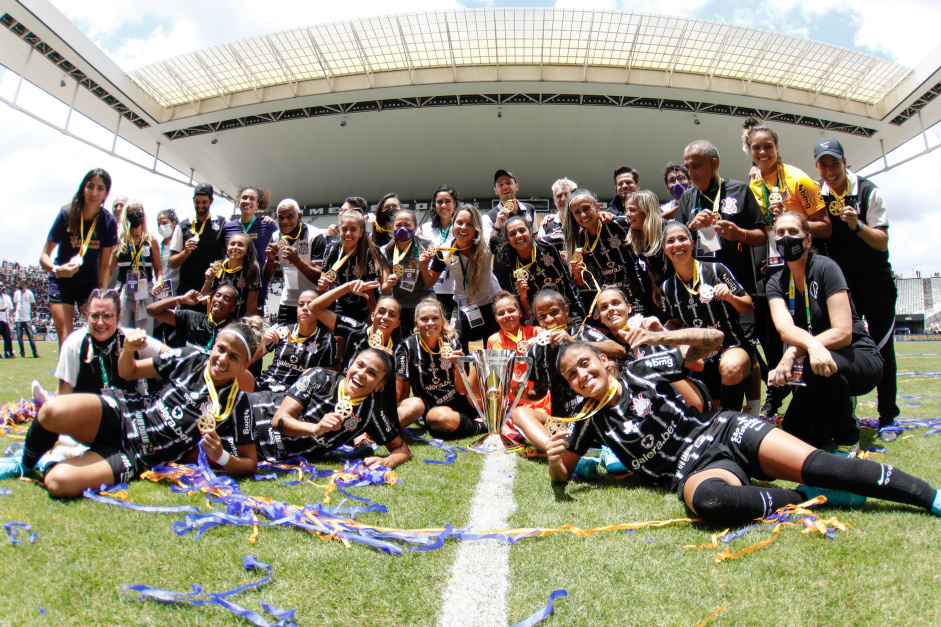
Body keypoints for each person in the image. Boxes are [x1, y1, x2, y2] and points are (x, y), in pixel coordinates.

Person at [545, 339, 941, 525]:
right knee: (711, 502)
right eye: (571, 375)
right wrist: (552, 462)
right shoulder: (588, 418)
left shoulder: (641, 369)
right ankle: (808, 497)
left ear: (602, 359)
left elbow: (711, 343)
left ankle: (930, 495)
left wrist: (663, 337)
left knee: (820, 464)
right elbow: (564, 473)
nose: (582, 376)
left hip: (725, 429)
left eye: (585, 363)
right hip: (695, 470)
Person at [0, 322, 261, 497]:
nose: (222, 359)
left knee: (58, 483)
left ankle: (56, 460)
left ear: (245, 364)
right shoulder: (189, 358)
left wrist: (223, 457)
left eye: (234, 357)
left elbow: (250, 463)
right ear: (214, 345)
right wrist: (128, 349)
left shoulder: (239, 403)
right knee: (50, 411)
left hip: (138, 455)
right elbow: (129, 372)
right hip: (123, 414)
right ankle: (24, 464)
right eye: (221, 349)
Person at [766, 211, 883, 455]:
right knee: (794, 435)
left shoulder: (826, 267)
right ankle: (837, 403)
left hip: (856, 357)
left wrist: (795, 353)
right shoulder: (775, 282)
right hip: (816, 363)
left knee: (813, 363)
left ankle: (849, 438)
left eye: (793, 232)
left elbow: (843, 333)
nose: (786, 238)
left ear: (808, 240)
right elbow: (784, 328)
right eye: (780, 233)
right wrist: (805, 349)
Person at [813, 137, 900, 442]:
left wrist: (857, 225)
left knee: (882, 350)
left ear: (845, 162)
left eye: (834, 163)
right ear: (817, 167)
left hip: (876, 285)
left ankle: (888, 417)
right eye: (823, 164)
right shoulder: (817, 194)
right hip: (842, 290)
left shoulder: (867, 190)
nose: (829, 170)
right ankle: (843, 409)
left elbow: (883, 241)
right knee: (842, 348)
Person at [679, 140, 769, 416]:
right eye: (687, 166)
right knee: (716, 350)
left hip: (737, 287)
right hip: (705, 293)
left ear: (714, 164)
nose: (690, 172)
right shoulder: (687, 199)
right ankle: (720, 411)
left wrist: (739, 234)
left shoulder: (740, 191)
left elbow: (762, 234)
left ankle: (752, 411)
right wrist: (691, 228)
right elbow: (678, 239)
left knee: (745, 345)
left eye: (696, 166)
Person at [251, 348, 410, 467]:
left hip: (261, 452)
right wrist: (317, 428)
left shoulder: (370, 412)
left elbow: (401, 449)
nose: (361, 373)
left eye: (372, 373)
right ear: (350, 364)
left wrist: (386, 461)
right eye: (359, 365)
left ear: (379, 386)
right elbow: (278, 420)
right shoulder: (319, 377)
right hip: (253, 413)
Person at [509, 289, 622, 452]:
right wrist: (526, 394)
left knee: (609, 363)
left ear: (566, 310)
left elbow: (618, 350)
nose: (549, 319)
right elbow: (541, 390)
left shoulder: (582, 332)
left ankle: (612, 430)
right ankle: (557, 452)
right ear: (538, 320)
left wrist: (573, 341)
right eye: (542, 316)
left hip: (595, 412)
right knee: (519, 413)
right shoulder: (536, 350)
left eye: (554, 312)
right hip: (562, 422)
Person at [661, 222, 755, 411]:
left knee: (729, 368)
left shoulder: (716, 269)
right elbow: (675, 321)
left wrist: (730, 297)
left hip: (731, 345)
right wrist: (658, 332)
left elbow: (749, 306)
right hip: (701, 355)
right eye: (670, 241)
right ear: (664, 249)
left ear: (692, 243)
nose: (677, 245)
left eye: (682, 239)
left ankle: (733, 422)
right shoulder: (667, 288)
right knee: (707, 409)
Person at [40, 168, 119, 349]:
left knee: (99, 335)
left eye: (100, 188)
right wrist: (57, 270)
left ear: (106, 193)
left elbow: (105, 266)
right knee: (66, 339)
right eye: (90, 186)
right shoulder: (66, 214)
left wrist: (102, 296)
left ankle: (94, 377)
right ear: (83, 188)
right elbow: (44, 256)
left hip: (89, 287)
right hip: (61, 283)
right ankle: (65, 378)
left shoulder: (108, 222)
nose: (94, 193)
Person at [394, 298, 482, 440]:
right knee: (440, 418)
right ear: (416, 323)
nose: (430, 323)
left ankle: (483, 416)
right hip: (434, 410)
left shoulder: (453, 343)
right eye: (424, 319)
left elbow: (461, 390)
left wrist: (457, 365)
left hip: (461, 403)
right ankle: (480, 426)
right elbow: (401, 391)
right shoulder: (406, 348)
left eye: (435, 318)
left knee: (481, 363)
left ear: (442, 321)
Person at [564, 188, 657, 320]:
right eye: (577, 212)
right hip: (609, 296)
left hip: (637, 289)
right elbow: (583, 283)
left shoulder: (618, 224)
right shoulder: (580, 240)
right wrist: (577, 274)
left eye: (586, 208)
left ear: (597, 207)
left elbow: (648, 252)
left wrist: (655, 283)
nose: (583, 215)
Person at [52, 289, 166, 396]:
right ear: (87, 316)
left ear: (119, 318)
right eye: (94, 316)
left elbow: (176, 357)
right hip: (89, 414)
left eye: (107, 316)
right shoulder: (74, 343)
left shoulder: (131, 338)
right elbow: (64, 391)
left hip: (127, 413)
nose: (100, 323)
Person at [423, 204, 501, 348]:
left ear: (476, 228)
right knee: (455, 345)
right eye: (459, 223)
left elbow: (511, 254)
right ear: (453, 224)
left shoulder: (488, 242)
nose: (463, 228)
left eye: (469, 224)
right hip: (463, 305)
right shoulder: (445, 251)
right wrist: (423, 265)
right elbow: (429, 282)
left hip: (491, 303)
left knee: (492, 350)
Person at [743, 117, 830, 238]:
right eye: (756, 148)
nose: (762, 152)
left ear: (776, 148)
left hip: (803, 252)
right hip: (772, 252)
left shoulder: (799, 179)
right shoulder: (755, 183)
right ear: (750, 151)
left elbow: (826, 228)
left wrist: (790, 219)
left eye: (768, 146)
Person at [493, 215, 584, 326]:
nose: (518, 236)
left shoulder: (551, 245)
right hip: (540, 320)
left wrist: (602, 214)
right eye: (512, 234)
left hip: (569, 310)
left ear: (531, 231)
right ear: (507, 239)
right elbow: (525, 311)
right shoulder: (508, 265)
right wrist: (522, 296)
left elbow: (580, 232)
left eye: (522, 230)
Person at [306, 281, 398, 375]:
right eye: (381, 312)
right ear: (372, 316)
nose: (386, 317)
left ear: (397, 323)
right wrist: (347, 287)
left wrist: (391, 360)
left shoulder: (399, 348)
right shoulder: (355, 330)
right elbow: (314, 307)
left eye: (392, 314)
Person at [486, 290, 551, 417]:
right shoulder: (493, 340)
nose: (506, 316)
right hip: (513, 403)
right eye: (501, 313)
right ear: (496, 318)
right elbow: (494, 378)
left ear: (520, 312)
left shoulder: (536, 332)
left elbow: (555, 334)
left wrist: (539, 339)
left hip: (540, 399)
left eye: (511, 311)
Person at [317, 208, 388, 324]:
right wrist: (322, 287)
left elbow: (370, 291)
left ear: (361, 232)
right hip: (339, 305)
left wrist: (372, 318)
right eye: (344, 229)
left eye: (353, 229)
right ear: (339, 231)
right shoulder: (331, 249)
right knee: (338, 339)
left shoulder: (368, 252)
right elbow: (322, 284)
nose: (348, 233)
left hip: (362, 305)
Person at [263, 199, 325, 325]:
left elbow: (319, 277)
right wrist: (270, 261)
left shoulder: (315, 236)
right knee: (283, 341)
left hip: (312, 301)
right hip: (288, 300)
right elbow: (267, 278)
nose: (285, 221)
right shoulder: (275, 237)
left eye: (290, 216)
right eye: (281, 218)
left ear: (299, 216)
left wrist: (297, 261)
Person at [109, 200, 163, 334]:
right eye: (131, 212)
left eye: (138, 211)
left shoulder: (150, 240)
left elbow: (158, 270)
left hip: (145, 293)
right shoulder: (119, 240)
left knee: (145, 336)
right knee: (121, 333)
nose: (135, 215)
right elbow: (109, 270)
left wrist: (160, 281)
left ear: (143, 215)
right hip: (125, 293)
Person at [378, 208, 434, 333]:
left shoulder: (426, 245)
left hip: (423, 302)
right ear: (393, 228)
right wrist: (389, 283)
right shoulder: (385, 251)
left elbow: (430, 283)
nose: (403, 229)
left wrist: (423, 267)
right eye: (398, 225)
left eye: (407, 225)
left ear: (415, 228)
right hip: (399, 305)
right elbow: (385, 290)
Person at [169, 183, 227, 300]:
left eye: (204, 202)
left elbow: (224, 254)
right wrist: (185, 252)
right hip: (187, 289)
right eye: (197, 202)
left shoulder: (221, 223)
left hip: (212, 289)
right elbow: (172, 263)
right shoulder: (183, 226)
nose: (200, 205)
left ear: (211, 201)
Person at [146, 284, 240, 354]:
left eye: (226, 299)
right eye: (218, 295)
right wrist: (181, 299)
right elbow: (152, 310)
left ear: (233, 308)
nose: (219, 300)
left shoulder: (234, 330)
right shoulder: (193, 318)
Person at [223, 186, 278, 298]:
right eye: (244, 198)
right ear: (239, 202)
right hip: (231, 287)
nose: (247, 201)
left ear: (257, 204)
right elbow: (223, 254)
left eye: (252, 199)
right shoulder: (228, 227)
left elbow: (280, 244)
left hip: (256, 287)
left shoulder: (267, 225)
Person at [417, 185, 460, 320]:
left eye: (447, 201)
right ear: (434, 205)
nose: (443, 205)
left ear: (455, 204)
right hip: (432, 289)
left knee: (455, 332)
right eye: (439, 202)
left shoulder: (461, 228)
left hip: (456, 289)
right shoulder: (425, 229)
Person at [624, 190, 672, 298]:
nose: (627, 214)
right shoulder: (641, 237)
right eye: (627, 210)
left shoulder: (670, 231)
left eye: (632, 210)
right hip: (666, 290)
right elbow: (651, 267)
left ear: (647, 211)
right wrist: (655, 284)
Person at [201, 231, 261, 318]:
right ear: (227, 249)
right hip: (216, 321)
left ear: (247, 251)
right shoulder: (218, 267)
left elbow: (251, 303)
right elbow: (203, 300)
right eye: (232, 244)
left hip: (237, 322)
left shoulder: (251, 270)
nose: (235, 247)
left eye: (240, 245)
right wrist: (208, 280)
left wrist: (251, 327)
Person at [154, 209, 180, 345]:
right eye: (158, 224)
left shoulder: (179, 244)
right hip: (160, 296)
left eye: (164, 223)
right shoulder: (158, 245)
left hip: (176, 295)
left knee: (173, 337)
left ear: (173, 223)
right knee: (157, 335)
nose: (161, 227)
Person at [484, 169, 536, 233]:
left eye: (508, 183)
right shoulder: (488, 217)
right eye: (500, 185)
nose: (505, 187)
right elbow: (486, 242)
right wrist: (497, 227)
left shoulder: (530, 209)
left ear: (517, 186)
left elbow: (535, 237)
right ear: (495, 191)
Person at [537, 177, 577, 243]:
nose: (563, 199)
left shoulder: (583, 221)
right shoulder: (546, 225)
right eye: (559, 196)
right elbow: (540, 249)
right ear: (554, 200)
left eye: (567, 195)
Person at [13, 278, 39, 358]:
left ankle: (34, 352)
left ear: (24, 285)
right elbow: (15, 303)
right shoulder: (17, 293)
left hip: (27, 318)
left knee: (30, 336)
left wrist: (29, 310)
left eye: (21, 286)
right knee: (19, 337)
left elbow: (33, 303)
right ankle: (22, 353)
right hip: (18, 319)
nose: (19, 287)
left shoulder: (29, 293)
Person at [0, 285, 13, 358]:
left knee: (7, 337)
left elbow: (10, 308)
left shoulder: (6, 297)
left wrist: (10, 317)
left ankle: (7, 352)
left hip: (5, 319)